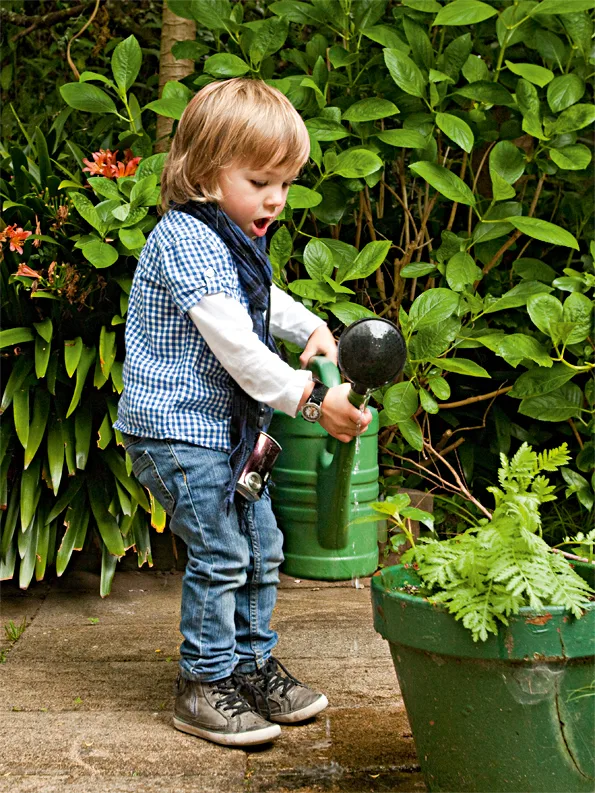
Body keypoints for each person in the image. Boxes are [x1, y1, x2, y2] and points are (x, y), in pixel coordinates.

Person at [114, 78, 372, 748]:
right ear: (205, 172)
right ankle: (202, 683)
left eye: (284, 183)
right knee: (223, 550)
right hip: (178, 431)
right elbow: (237, 345)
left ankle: (248, 667)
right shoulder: (184, 239)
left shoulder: (228, 235)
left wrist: (310, 325)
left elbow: (260, 297)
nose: (276, 198)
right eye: (260, 181)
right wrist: (313, 400)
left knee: (262, 546)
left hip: (226, 433)